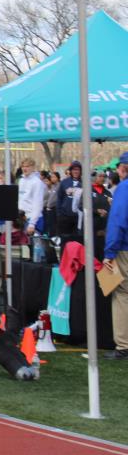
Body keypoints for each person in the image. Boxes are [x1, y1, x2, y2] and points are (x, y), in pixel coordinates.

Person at [103, 152, 128, 360]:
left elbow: (117, 222)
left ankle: (123, 345)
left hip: (124, 249)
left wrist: (109, 253)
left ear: (122, 168)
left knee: (122, 294)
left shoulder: (124, 189)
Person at [17, 158, 46, 237]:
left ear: (33, 167)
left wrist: (32, 223)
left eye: (27, 166)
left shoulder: (37, 182)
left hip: (32, 219)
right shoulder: (21, 180)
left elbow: (38, 204)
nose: (24, 168)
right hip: (22, 218)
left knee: (33, 244)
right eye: (23, 166)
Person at [57, 160, 83, 237]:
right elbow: (59, 198)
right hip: (65, 216)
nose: (76, 171)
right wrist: (59, 214)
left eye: (78, 169)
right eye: (74, 169)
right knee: (65, 239)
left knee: (77, 239)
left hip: (79, 218)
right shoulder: (64, 182)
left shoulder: (84, 183)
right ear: (71, 171)